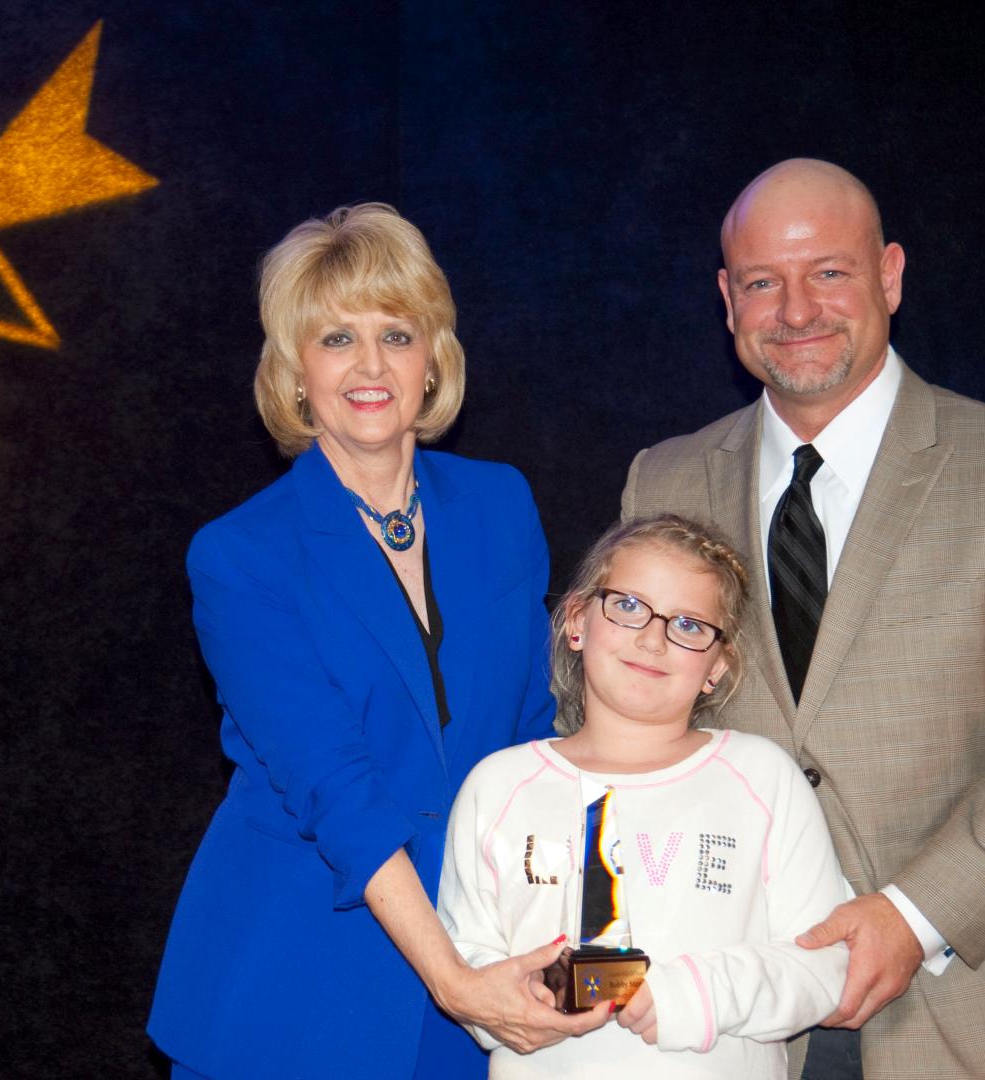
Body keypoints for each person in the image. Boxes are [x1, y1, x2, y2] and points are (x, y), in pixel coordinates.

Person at [621, 159, 985, 1079]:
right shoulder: (663, 479)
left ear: (891, 275)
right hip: (737, 1024)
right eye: (762, 281)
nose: (795, 309)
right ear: (727, 297)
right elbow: (629, 734)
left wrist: (915, 914)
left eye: (828, 271)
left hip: (975, 1010)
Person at [148, 204, 608, 1078]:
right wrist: (454, 979)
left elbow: (537, 732)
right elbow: (333, 787)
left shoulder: (500, 503)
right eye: (335, 339)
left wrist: (570, 928)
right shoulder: (240, 555)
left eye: (396, 334)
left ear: (433, 359)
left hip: (480, 948)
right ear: (293, 370)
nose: (369, 366)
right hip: (297, 976)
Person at [438, 514, 850, 1078]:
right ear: (577, 620)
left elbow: (825, 963)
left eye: (688, 624)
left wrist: (695, 994)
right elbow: (466, 960)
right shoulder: (498, 786)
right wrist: (524, 994)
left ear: (718, 664)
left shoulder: (761, 779)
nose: (653, 638)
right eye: (629, 606)